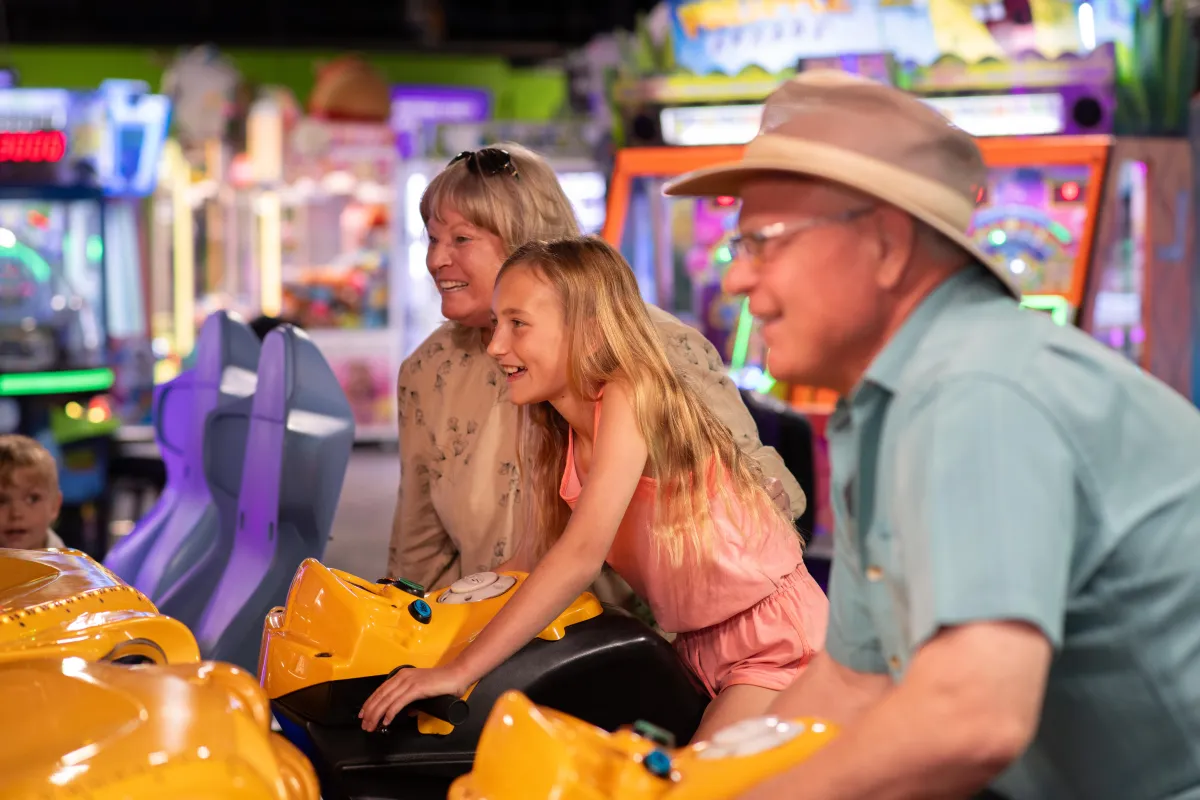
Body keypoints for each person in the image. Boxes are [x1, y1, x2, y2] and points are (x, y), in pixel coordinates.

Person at [664, 69, 1200, 799]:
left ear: (885, 243)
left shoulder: (976, 389)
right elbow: (850, 684)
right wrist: (688, 784)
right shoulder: (887, 405)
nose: (735, 281)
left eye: (765, 241)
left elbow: (971, 716)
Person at [361, 237, 828, 740]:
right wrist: (421, 629)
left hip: (772, 640)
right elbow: (527, 562)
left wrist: (457, 671)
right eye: (497, 323)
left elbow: (581, 555)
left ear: (587, 329)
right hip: (694, 648)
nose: (496, 344)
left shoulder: (630, 392)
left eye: (518, 324)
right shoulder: (551, 428)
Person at [389, 143, 806, 615]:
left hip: (646, 649)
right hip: (490, 645)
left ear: (529, 242)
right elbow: (419, 548)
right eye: (431, 239)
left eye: (460, 240)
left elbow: (764, 506)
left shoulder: (652, 347)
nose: (435, 260)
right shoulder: (428, 369)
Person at [0, 434, 65, 549]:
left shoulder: (71, 565)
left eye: (32, 499)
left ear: (55, 505)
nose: (16, 514)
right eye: (1, 501)